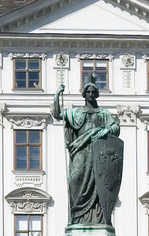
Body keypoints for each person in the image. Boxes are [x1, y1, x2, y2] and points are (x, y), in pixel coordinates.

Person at [52, 76, 121, 226]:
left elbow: (116, 128)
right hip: (80, 149)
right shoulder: (75, 113)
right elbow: (57, 115)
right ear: (84, 94)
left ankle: (97, 218)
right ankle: (77, 216)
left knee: (97, 184)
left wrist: (106, 130)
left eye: (93, 91)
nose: (90, 93)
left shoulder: (103, 113)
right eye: (88, 91)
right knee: (74, 180)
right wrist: (57, 95)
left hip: (97, 151)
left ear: (96, 94)